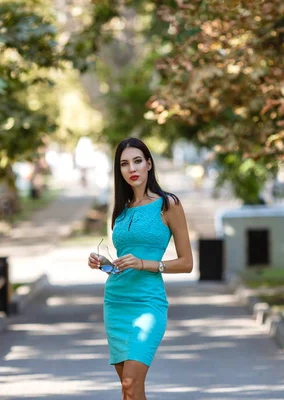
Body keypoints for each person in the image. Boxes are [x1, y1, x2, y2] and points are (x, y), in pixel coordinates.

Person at [87, 138, 193, 400]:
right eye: (124, 164)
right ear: (119, 170)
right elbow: (124, 264)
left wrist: (145, 264)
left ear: (149, 164)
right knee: (129, 391)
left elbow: (187, 263)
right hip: (116, 302)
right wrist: (105, 264)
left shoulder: (168, 204)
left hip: (148, 303)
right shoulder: (121, 211)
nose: (131, 168)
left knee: (131, 384)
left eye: (137, 161)